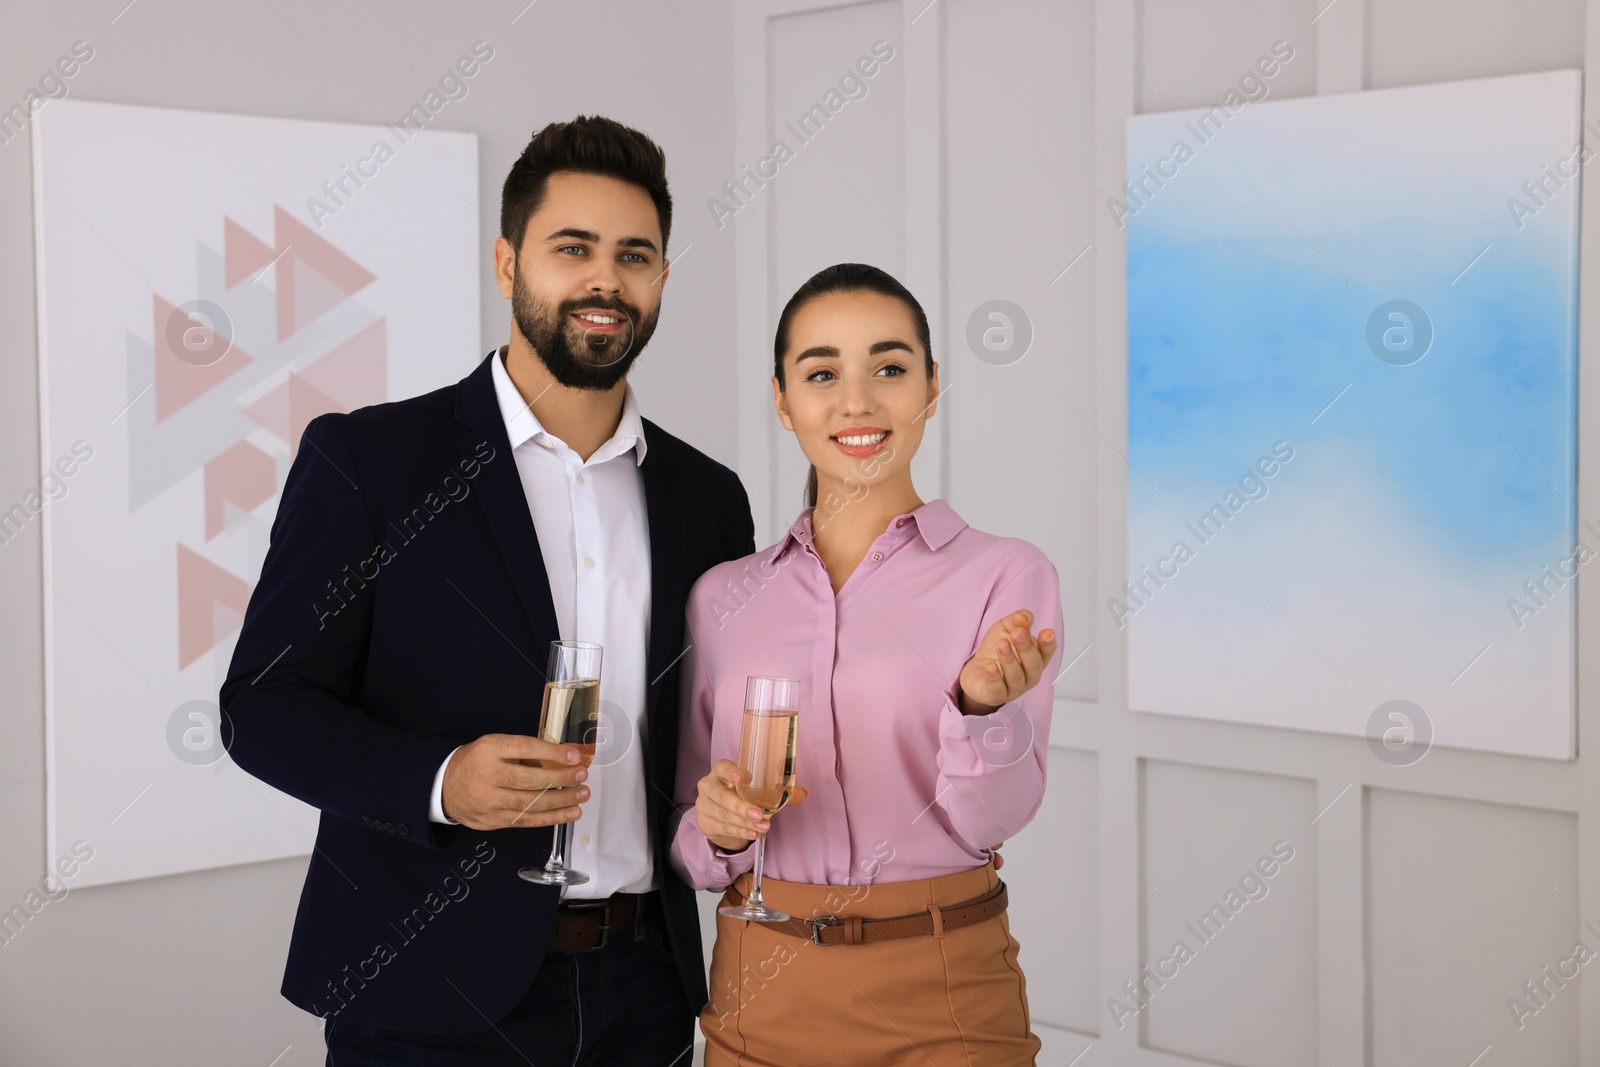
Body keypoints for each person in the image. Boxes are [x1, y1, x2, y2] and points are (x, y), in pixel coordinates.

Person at [221, 115, 755, 1065]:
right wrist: (440, 782)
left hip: (650, 992)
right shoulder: (370, 462)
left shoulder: (710, 498)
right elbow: (260, 707)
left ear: (662, 280)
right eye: (572, 248)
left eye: (635, 255)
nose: (605, 279)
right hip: (430, 994)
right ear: (508, 265)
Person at [670, 263, 1063, 1065]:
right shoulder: (722, 598)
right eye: (822, 374)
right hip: (761, 983)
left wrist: (982, 707)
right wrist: (714, 827)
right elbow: (690, 840)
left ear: (932, 385)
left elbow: (995, 819)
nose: (857, 402)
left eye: (890, 368)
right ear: (782, 400)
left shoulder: (1006, 576)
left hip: (943, 982)